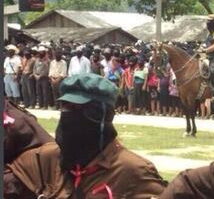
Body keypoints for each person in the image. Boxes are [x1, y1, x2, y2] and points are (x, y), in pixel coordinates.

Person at [4, 73, 166, 198]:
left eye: (82, 110)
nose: (71, 116)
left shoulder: (132, 171)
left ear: (105, 116)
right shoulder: (46, 159)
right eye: (66, 108)